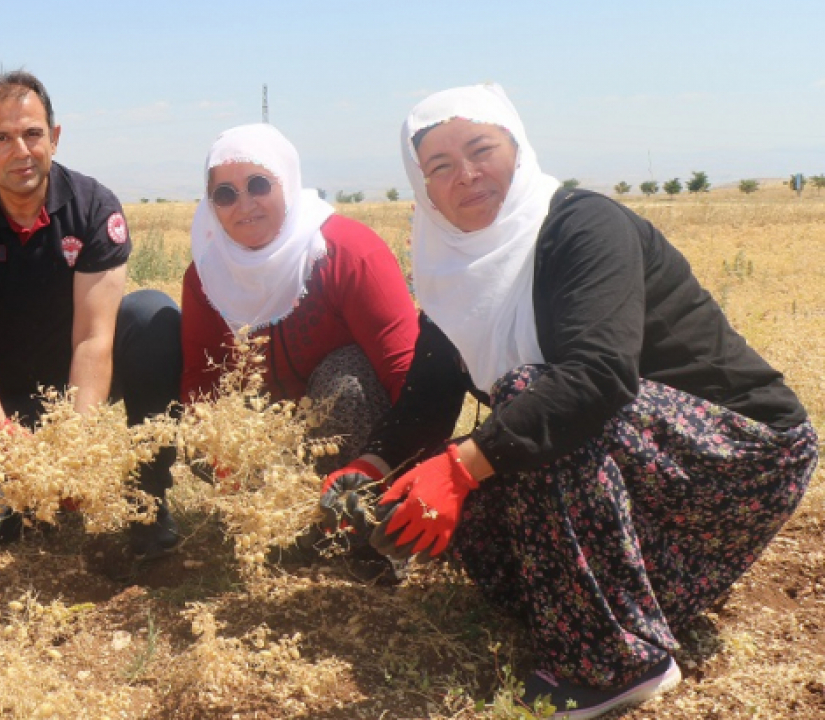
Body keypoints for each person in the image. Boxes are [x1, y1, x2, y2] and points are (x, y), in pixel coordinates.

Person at [334, 83, 818, 718]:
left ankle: (618, 665)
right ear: (422, 185)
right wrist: (370, 468)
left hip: (739, 458)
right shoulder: (452, 270)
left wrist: (458, 470)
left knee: (523, 403)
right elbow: (428, 398)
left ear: (519, 148)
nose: (467, 176)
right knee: (470, 503)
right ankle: (632, 595)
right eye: (440, 166)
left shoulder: (582, 225)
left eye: (482, 149)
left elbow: (596, 378)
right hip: (638, 461)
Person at [0, 70, 181, 559]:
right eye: (1, 138)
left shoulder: (94, 208)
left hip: (76, 388)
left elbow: (93, 338)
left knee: (152, 316)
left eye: (32, 133)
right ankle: (10, 465)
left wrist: (74, 444)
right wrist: (3, 434)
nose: (21, 150)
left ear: (54, 139)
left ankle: (148, 497)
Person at [182, 123, 419, 517]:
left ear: (287, 182)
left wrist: (411, 466)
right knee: (210, 421)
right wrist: (219, 451)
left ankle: (360, 507)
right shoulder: (207, 274)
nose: (244, 205)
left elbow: (405, 372)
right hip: (267, 441)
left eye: (258, 185)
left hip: (361, 445)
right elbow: (201, 380)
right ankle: (279, 518)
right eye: (225, 194)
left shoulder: (347, 252)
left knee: (349, 378)